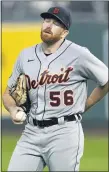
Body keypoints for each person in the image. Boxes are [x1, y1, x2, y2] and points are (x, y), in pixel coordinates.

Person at [2, 6, 109, 171]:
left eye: (55, 23)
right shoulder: (25, 55)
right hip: (31, 132)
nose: (48, 25)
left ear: (65, 32)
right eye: (46, 20)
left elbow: (106, 79)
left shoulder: (79, 54)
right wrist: (13, 109)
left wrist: (85, 104)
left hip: (64, 133)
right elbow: (7, 93)